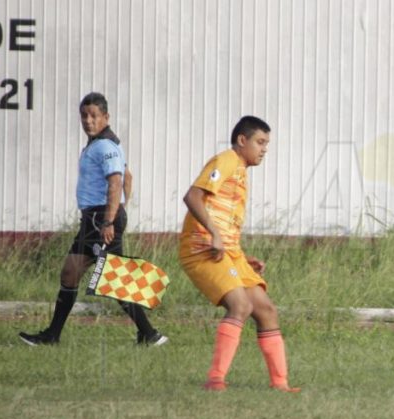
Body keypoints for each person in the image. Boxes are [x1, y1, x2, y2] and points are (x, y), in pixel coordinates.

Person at [19, 92, 167, 346]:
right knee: (70, 274)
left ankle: (150, 334)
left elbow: (117, 182)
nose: (88, 121)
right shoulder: (102, 143)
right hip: (94, 219)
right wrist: (120, 210)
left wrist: (111, 219)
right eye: (84, 116)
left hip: (101, 220)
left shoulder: (106, 147)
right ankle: (53, 336)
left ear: (105, 117)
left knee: (113, 278)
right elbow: (128, 178)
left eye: (94, 116)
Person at [180, 116, 299, 392]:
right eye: (260, 142)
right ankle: (215, 379)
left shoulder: (241, 171)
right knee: (241, 305)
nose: (264, 149)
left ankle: (280, 385)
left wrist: (243, 257)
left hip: (228, 253)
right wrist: (215, 235)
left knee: (267, 310)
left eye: (267, 144)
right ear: (242, 141)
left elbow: (224, 220)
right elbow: (192, 196)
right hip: (202, 250)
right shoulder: (227, 160)